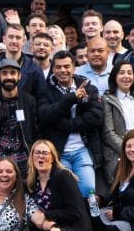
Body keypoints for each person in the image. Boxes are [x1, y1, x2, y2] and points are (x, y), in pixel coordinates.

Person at [35, 50, 103, 199]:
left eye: (66, 66)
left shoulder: (88, 87)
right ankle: (74, 222)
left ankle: (93, 219)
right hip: (59, 152)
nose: (63, 70)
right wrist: (71, 98)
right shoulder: (46, 90)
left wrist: (66, 124)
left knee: (89, 190)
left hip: (83, 149)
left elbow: (96, 118)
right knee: (66, 193)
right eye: (58, 67)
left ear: (74, 68)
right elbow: (45, 116)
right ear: (53, 69)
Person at [22, 139, 94, 231]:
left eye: (45, 153)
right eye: (37, 153)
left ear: (53, 158)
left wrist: (47, 216)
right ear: (32, 157)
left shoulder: (63, 176)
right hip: (49, 228)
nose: (41, 156)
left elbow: (76, 212)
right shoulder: (33, 181)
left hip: (74, 229)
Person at [0, 58, 36, 173]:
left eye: (13, 73)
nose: (9, 77)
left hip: (23, 156)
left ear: (19, 76)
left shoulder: (29, 101)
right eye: (4, 73)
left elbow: (35, 132)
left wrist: (34, 156)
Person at [100, 62, 134, 189]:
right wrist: (129, 150)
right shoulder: (107, 100)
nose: (126, 76)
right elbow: (108, 133)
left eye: (129, 73)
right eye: (121, 73)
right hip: (119, 156)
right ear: (114, 76)